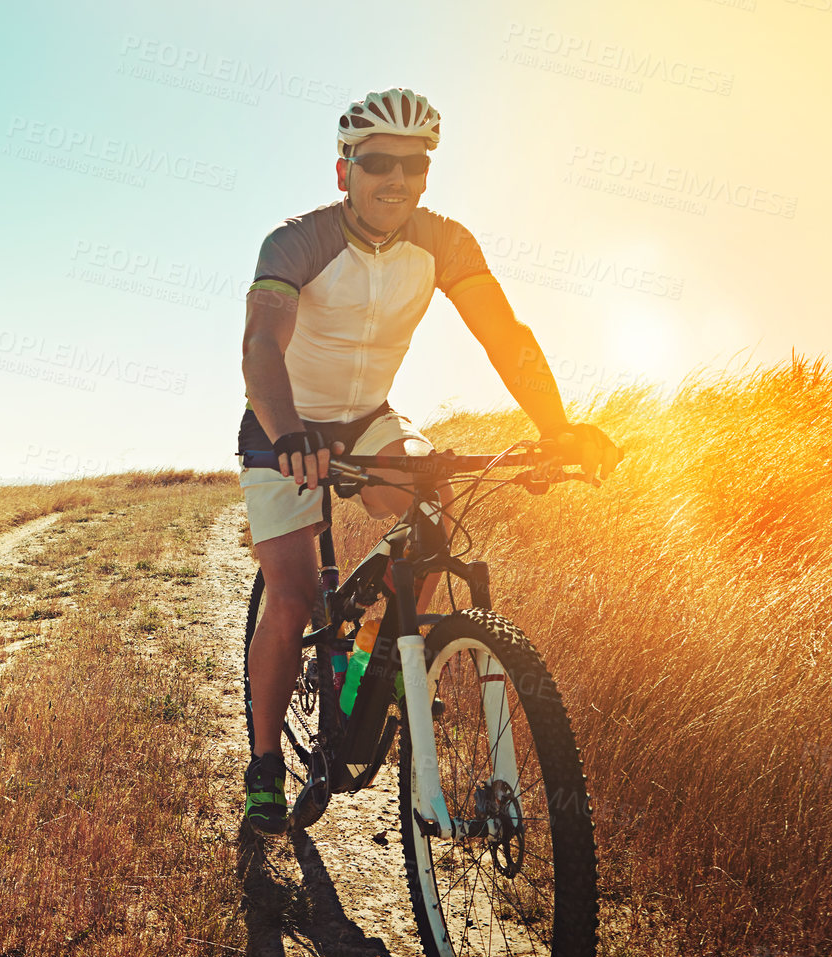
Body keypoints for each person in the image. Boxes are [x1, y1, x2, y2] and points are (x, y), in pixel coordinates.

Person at [239, 88, 621, 834]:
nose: (398, 179)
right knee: (288, 595)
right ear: (344, 171)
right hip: (281, 423)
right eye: (378, 162)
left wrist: (558, 425)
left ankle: (388, 664)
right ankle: (261, 767)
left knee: (433, 510)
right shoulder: (295, 241)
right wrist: (288, 435)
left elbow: (503, 333)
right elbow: (260, 347)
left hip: (371, 420)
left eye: (414, 164)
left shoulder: (444, 241)